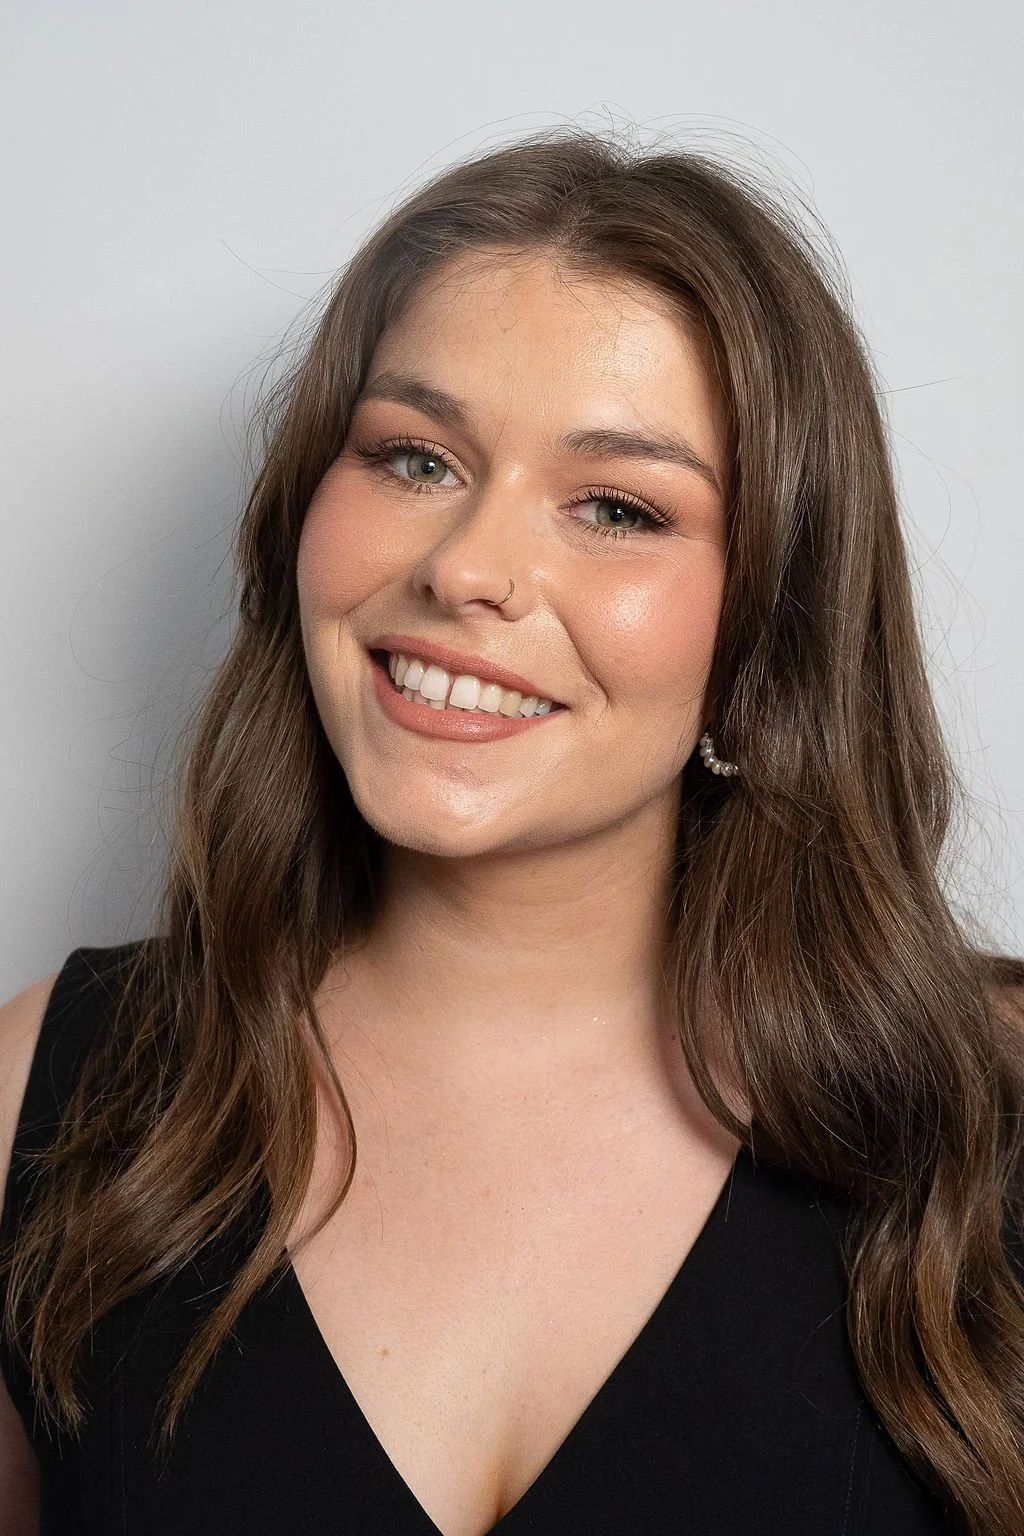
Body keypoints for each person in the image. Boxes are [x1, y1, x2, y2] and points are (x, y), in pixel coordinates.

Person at [2, 128, 1023, 1536]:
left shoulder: (992, 1111)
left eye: (615, 507)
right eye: (415, 458)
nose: (467, 568)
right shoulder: (41, 1094)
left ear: (768, 628)